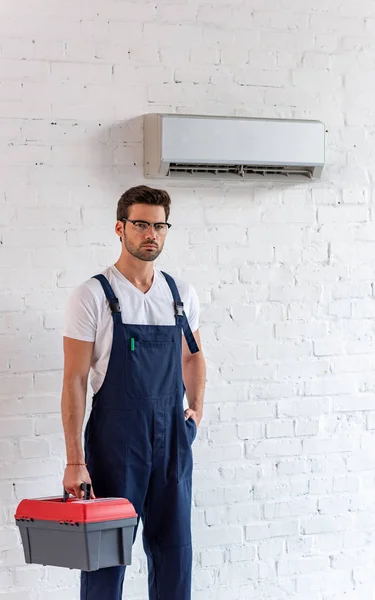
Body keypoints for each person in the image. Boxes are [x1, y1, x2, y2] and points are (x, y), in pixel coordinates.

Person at [61, 185, 206, 600]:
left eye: (159, 226)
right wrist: (75, 461)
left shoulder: (179, 295)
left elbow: (193, 356)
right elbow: (73, 379)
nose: (151, 234)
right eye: (141, 224)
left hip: (173, 441)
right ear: (120, 228)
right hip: (115, 442)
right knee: (106, 560)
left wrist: (195, 410)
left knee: (174, 556)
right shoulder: (93, 296)